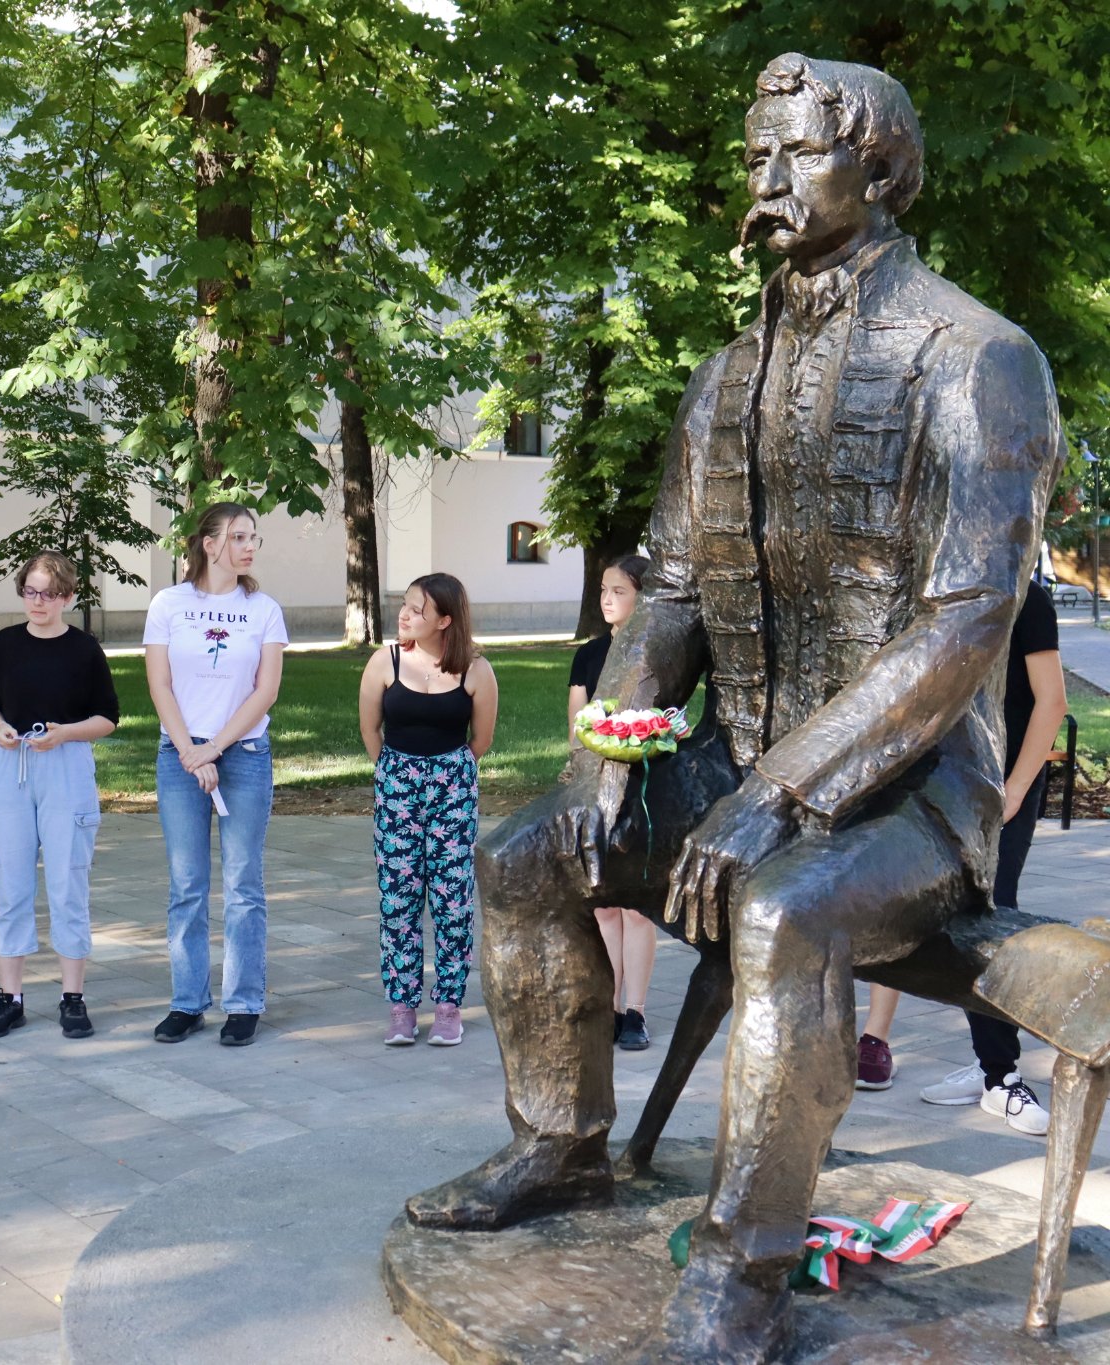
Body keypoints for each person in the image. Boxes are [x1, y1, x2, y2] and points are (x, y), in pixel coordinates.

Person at [403, 56, 1063, 1358]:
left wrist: (778, 798)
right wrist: (608, 754)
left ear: (879, 169)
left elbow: (963, 621)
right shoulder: (722, 378)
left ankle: (741, 1266)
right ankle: (560, 1145)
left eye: (795, 154)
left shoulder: (978, 359)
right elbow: (667, 592)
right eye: (754, 154)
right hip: (735, 766)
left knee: (780, 912)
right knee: (523, 855)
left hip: (911, 802)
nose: (764, 180)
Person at [869, 578, 1063, 1134]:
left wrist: (1016, 790)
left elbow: (1052, 702)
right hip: (942, 782)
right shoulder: (932, 593)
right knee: (943, 915)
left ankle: (1001, 1078)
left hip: (1007, 784)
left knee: (987, 913)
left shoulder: (1025, 598)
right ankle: (988, 1066)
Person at [144, 502, 289, 1047]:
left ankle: (244, 1003)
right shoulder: (169, 604)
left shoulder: (264, 610)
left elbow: (265, 691)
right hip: (180, 756)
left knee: (243, 884)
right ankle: (187, 1002)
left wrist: (214, 749)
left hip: (243, 755)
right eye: (239, 536)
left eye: (254, 537)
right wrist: (190, 752)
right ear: (209, 544)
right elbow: (160, 684)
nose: (250, 546)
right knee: (187, 884)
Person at [0, 552, 120, 1040]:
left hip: (65, 762)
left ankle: (72, 997)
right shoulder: (5, 643)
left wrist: (66, 733)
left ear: (68, 597)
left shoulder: (83, 649)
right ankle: (10, 997)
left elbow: (107, 717)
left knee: (67, 882)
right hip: (12, 762)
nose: (39, 602)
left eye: (50, 594)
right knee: (11, 884)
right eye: (31, 592)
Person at [357, 573, 498, 1047]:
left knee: (452, 900)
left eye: (417, 609)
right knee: (398, 899)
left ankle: (449, 1007)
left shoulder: (476, 670)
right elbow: (370, 730)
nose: (404, 614)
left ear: (445, 620)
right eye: (405, 605)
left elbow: (481, 740)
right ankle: (402, 1007)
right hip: (396, 787)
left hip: (453, 790)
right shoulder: (386, 661)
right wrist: (395, 773)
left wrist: (446, 774)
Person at [566, 555, 658, 1051]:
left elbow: (667, 715)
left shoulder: (657, 652)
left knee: (636, 910)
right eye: (603, 590)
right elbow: (576, 725)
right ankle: (610, 1005)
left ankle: (635, 1010)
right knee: (604, 908)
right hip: (595, 787)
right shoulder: (589, 654)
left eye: (618, 591)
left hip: (643, 787)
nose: (606, 599)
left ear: (642, 597)